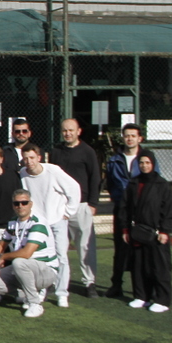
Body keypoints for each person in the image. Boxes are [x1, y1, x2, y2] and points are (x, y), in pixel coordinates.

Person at [0, 189, 59, 318]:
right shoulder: (13, 222)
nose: (20, 206)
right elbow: (1, 245)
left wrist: (4, 256)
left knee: (19, 262)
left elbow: (27, 253)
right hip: (24, 268)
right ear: (13, 205)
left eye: (24, 203)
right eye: (16, 203)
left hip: (46, 270)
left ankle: (35, 303)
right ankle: (26, 293)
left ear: (30, 204)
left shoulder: (38, 222)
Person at [20, 143, 80, 308]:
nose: (29, 161)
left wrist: (68, 212)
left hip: (57, 221)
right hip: (38, 224)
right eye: (26, 158)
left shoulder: (53, 171)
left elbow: (74, 188)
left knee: (61, 257)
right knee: (39, 258)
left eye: (32, 157)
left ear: (39, 157)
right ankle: (41, 291)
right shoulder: (22, 174)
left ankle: (62, 293)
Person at [49, 118, 101, 299]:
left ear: (78, 131)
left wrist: (93, 203)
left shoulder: (88, 151)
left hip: (81, 205)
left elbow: (95, 177)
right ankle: (57, 281)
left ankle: (89, 283)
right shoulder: (56, 151)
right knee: (58, 247)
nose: (68, 133)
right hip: (60, 206)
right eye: (65, 130)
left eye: (71, 130)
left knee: (85, 246)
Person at [105, 123, 157, 298]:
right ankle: (116, 285)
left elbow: (154, 181)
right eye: (127, 135)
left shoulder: (147, 158)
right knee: (120, 248)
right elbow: (111, 184)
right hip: (122, 209)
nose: (129, 139)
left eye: (133, 136)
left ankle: (145, 288)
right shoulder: (114, 160)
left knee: (144, 249)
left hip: (142, 211)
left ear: (139, 138)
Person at [121, 152, 172, 313]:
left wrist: (165, 231)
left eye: (147, 162)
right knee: (139, 265)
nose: (144, 166)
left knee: (159, 266)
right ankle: (141, 296)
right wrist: (125, 229)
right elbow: (125, 207)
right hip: (138, 232)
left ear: (153, 164)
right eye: (141, 163)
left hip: (156, 233)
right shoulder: (134, 183)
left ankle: (162, 300)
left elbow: (168, 209)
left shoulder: (162, 184)